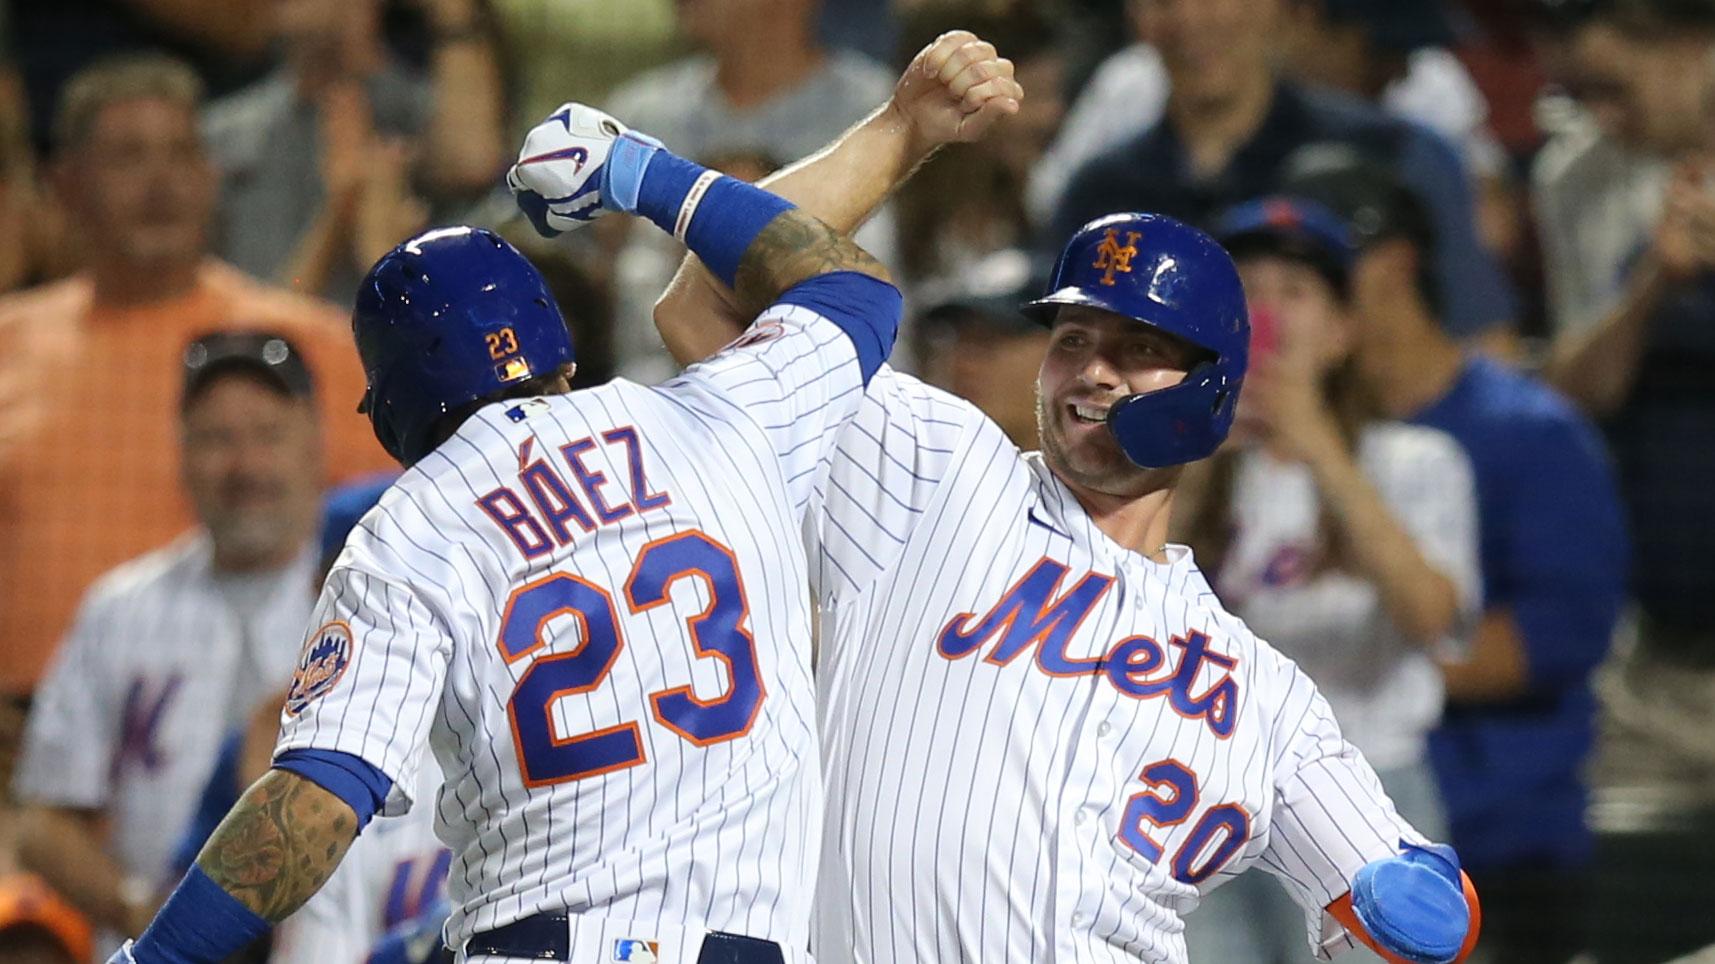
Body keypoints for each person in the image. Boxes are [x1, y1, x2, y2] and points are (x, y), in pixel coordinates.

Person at [107, 33, 1013, 961]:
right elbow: (852, 292)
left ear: (393, 414)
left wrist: (152, 958)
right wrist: (638, 172)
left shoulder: (405, 528)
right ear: (560, 350)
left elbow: (314, 802)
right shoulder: (720, 423)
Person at [651, 32, 1478, 964]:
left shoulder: (1259, 694)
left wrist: (1406, 895)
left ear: (1210, 388)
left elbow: (1416, 923)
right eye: (1073, 339)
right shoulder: (933, 466)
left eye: (1135, 348)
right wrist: (900, 131)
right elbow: (703, 307)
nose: (1091, 372)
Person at [1285, 155, 1627, 964]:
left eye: (1319, 273)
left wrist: (1322, 674)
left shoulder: (1528, 433)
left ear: (1395, 264)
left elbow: (1553, 639)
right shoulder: (1278, 440)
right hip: (1320, 844)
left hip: (1492, 843)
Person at [0, 54, 390, 698]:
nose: (163, 183)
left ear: (212, 176)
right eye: (128, 158)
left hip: (242, 729)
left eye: (183, 154)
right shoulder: (9, 342)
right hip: (16, 737)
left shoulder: (308, 349)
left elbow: (413, 532)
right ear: (64, 184)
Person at [1170, 197, 1482, 962]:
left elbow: (1432, 618)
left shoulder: (1414, 461)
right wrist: (1201, 459)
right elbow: (1119, 599)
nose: (1268, 313)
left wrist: (1317, 446)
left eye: (1295, 293)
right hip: (1210, 795)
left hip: (1373, 782)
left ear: (1342, 330)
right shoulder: (1178, 466)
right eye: (1249, 293)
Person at [11, 332, 332, 948]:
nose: (246, 466)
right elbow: (46, 820)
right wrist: (144, 914)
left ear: (316, 442)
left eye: (269, 434)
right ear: (180, 452)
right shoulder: (121, 610)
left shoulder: (377, 598)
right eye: (217, 439)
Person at [1046, 0, 1515, 341]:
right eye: (1163, 1)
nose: (1190, 18)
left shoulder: (1392, 155)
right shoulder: (1101, 193)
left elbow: (1483, 345)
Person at [1532, 0, 1715, 813]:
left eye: (1614, 85)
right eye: (1578, 93)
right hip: (1658, 653)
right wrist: (1652, 282)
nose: (1602, 114)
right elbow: (1574, 394)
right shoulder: (1576, 177)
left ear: (1691, 43)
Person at [202, 0, 505, 303]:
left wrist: (451, 12)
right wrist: (343, 206)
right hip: (267, 341)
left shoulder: (419, 116)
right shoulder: (223, 135)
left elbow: (472, 162)